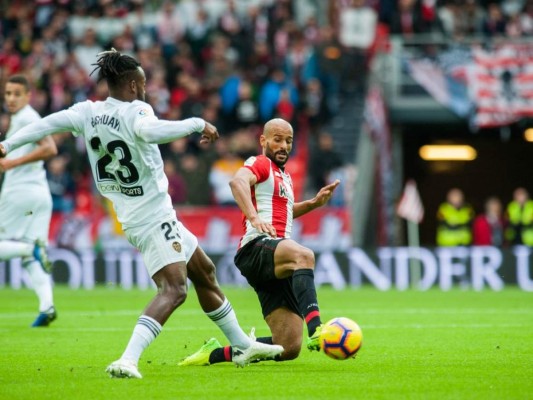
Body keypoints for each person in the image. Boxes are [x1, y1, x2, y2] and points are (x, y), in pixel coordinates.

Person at [0, 49, 282, 379]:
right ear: (133, 85)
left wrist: (7, 144)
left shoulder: (86, 112)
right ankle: (128, 359)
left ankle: (241, 345)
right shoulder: (137, 111)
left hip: (136, 214)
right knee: (175, 289)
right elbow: (150, 131)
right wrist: (196, 123)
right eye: (143, 83)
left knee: (204, 271)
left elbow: (47, 124)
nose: (146, 88)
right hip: (152, 216)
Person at [179, 118, 340, 366]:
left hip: (274, 256)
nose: (284, 145)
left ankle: (213, 353)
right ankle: (318, 329)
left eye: (288, 141)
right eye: (277, 139)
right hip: (256, 247)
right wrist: (253, 217)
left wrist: (313, 204)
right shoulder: (261, 163)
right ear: (263, 141)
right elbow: (237, 182)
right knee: (304, 256)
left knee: (287, 347)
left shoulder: (284, 177)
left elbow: (284, 211)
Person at [0, 74, 58, 327]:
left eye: (17, 94)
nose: (11, 98)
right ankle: (47, 307)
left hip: (20, 192)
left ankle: (30, 248)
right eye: (8, 93)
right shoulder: (22, 118)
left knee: (25, 249)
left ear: (28, 95)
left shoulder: (27, 117)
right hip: (39, 193)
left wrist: (13, 162)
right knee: (30, 258)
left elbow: (50, 148)